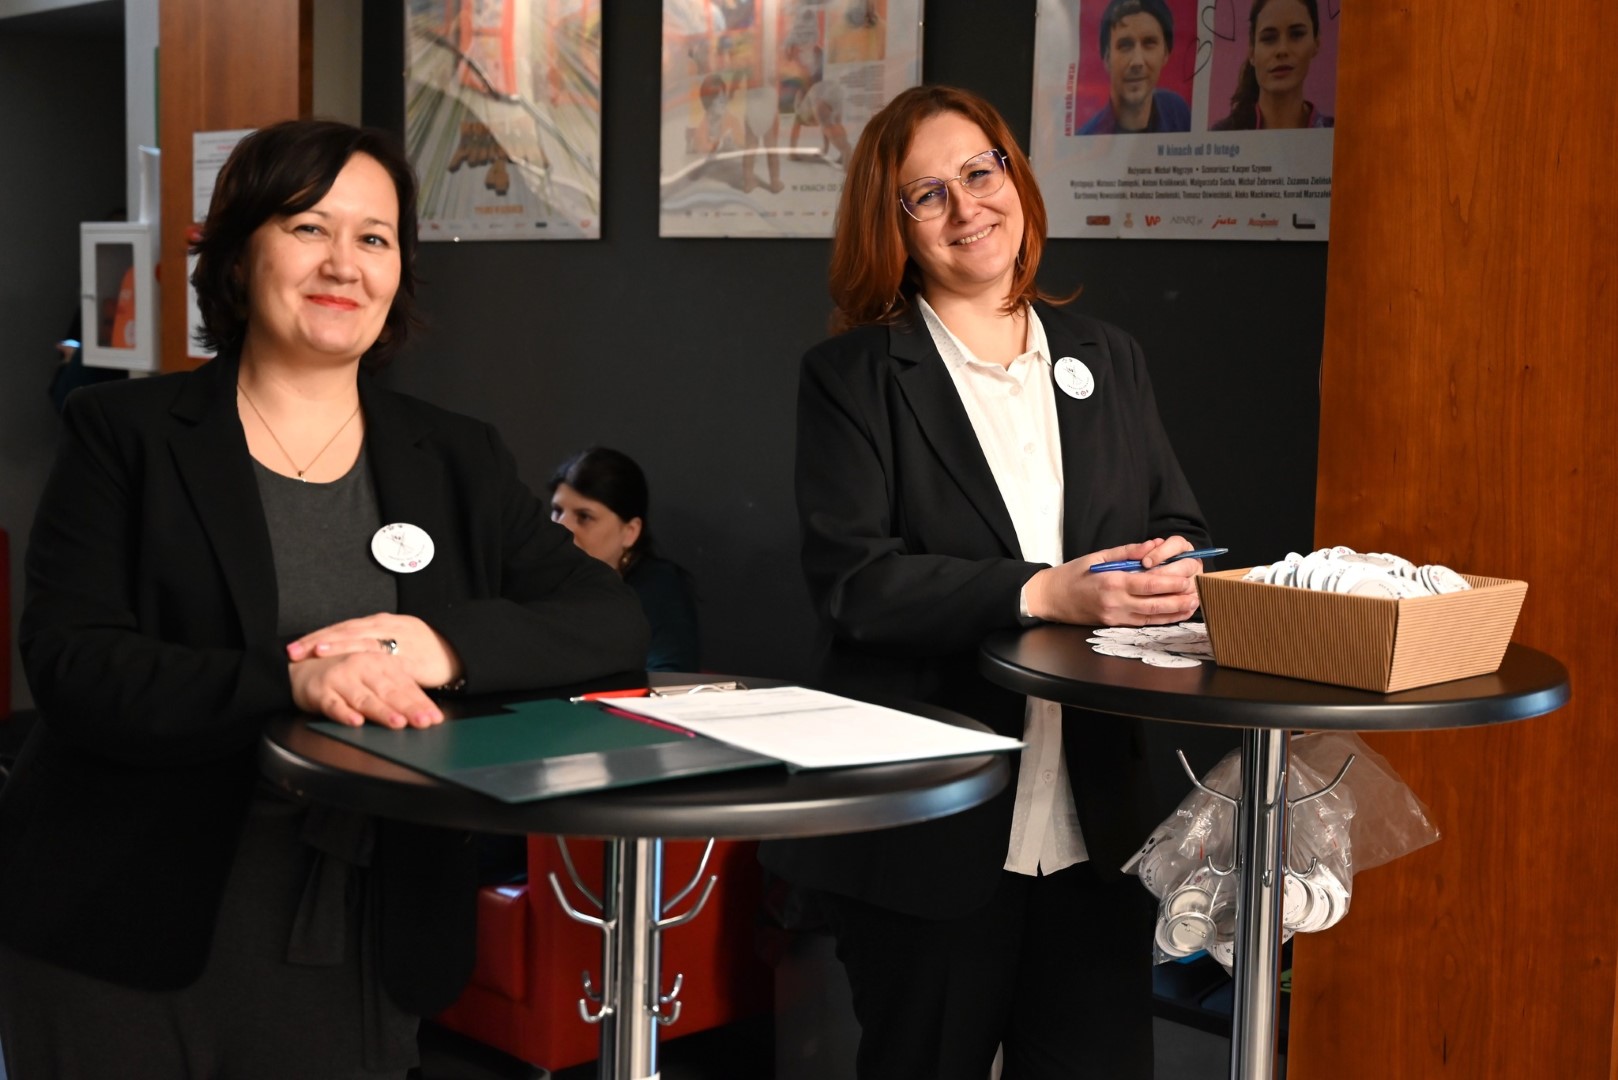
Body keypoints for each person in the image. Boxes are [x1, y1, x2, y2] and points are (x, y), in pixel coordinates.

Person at [0, 119, 647, 1079]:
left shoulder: (455, 456)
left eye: (373, 238)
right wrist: (290, 681)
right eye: (308, 227)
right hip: (120, 920)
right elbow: (75, 665)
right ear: (238, 252)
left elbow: (608, 619)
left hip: (359, 928)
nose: (343, 263)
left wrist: (439, 646)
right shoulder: (124, 434)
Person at [758, 84, 1211, 1080]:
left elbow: (1177, 523)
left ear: (1015, 174)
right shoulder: (852, 376)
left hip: (1098, 829)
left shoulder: (1107, 359)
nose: (966, 207)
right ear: (893, 225)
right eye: (928, 194)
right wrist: (1044, 592)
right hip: (931, 834)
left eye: (979, 171)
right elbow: (856, 583)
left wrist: (1173, 572)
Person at [549, 447, 701, 673]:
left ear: (630, 531)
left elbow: (669, 677)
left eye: (584, 517)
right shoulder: (538, 577)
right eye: (557, 510)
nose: (561, 527)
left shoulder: (658, 588)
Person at [1212, 0, 1333, 130]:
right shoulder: (1220, 134)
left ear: (1316, 42)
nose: (1282, 50)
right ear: (1252, 51)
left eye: (1296, 34)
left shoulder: (1339, 133)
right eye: (1268, 38)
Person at [1078, 0, 1191, 134]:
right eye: (1125, 45)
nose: (1137, 61)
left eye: (1149, 43)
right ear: (1107, 58)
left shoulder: (1177, 111)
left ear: (1165, 53)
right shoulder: (1084, 140)